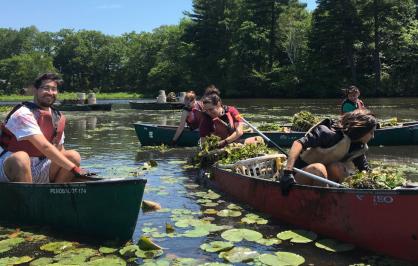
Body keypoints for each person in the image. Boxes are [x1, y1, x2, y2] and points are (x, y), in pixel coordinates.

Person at [0, 73, 86, 183]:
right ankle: (29, 199)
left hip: (41, 166)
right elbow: (44, 147)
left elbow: (59, 150)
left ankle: (54, 196)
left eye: (54, 89)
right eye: (46, 88)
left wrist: (77, 170)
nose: (50, 93)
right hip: (11, 167)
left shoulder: (57, 117)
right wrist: (74, 169)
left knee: (73, 156)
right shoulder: (22, 114)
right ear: (35, 90)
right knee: (21, 158)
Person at [281, 109, 377, 193]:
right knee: (318, 168)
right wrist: (287, 172)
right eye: (371, 133)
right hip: (296, 175)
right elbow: (298, 143)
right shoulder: (328, 134)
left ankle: (338, 199)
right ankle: (322, 206)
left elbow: (365, 171)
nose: (373, 137)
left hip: (322, 180)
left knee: (338, 168)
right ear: (362, 131)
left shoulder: (358, 147)